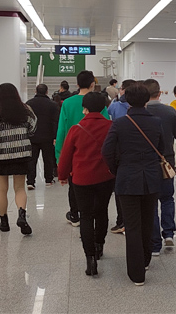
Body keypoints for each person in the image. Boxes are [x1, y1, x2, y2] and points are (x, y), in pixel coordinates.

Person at [101, 83, 165, 286]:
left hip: (127, 178)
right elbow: (162, 148)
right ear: (146, 100)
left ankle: (137, 274)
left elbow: (106, 151)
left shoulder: (120, 124)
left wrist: (116, 168)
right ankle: (145, 260)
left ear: (127, 99)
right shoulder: (156, 122)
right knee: (148, 221)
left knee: (133, 226)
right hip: (152, 178)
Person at [58, 92, 115, 277]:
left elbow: (66, 155)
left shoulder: (76, 129)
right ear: (104, 108)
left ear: (84, 108)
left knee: (86, 216)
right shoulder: (111, 126)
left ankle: (90, 259)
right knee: (102, 212)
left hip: (81, 180)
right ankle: (99, 246)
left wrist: (62, 175)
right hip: (106, 178)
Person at [0, 83, 37, 235]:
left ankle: (4, 222)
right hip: (22, 154)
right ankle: (21, 215)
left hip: (1, 155)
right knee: (19, 188)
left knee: (2, 189)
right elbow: (33, 128)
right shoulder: (26, 110)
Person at [56, 71, 109, 227]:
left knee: (74, 184)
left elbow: (61, 131)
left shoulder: (67, 103)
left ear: (77, 84)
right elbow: (106, 126)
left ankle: (75, 214)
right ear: (93, 84)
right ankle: (92, 213)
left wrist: (59, 156)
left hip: (73, 151)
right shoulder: (99, 102)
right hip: (96, 153)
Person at [143, 79, 176, 255]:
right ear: (160, 93)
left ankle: (155, 244)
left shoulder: (140, 112)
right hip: (167, 163)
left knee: (151, 203)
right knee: (167, 198)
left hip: (146, 164)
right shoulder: (170, 111)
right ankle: (169, 233)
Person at [106, 78, 136, 234]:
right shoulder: (143, 108)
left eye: (121, 88)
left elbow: (108, 119)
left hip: (120, 152)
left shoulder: (116, 106)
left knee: (121, 189)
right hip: (138, 153)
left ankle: (121, 221)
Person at [25, 84, 59, 190]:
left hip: (32, 136)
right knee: (48, 159)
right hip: (47, 136)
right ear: (47, 92)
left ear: (36, 91)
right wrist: (55, 136)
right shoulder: (53, 105)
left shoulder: (28, 104)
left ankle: (30, 181)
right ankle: (48, 179)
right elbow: (55, 122)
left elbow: (25, 120)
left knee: (32, 160)